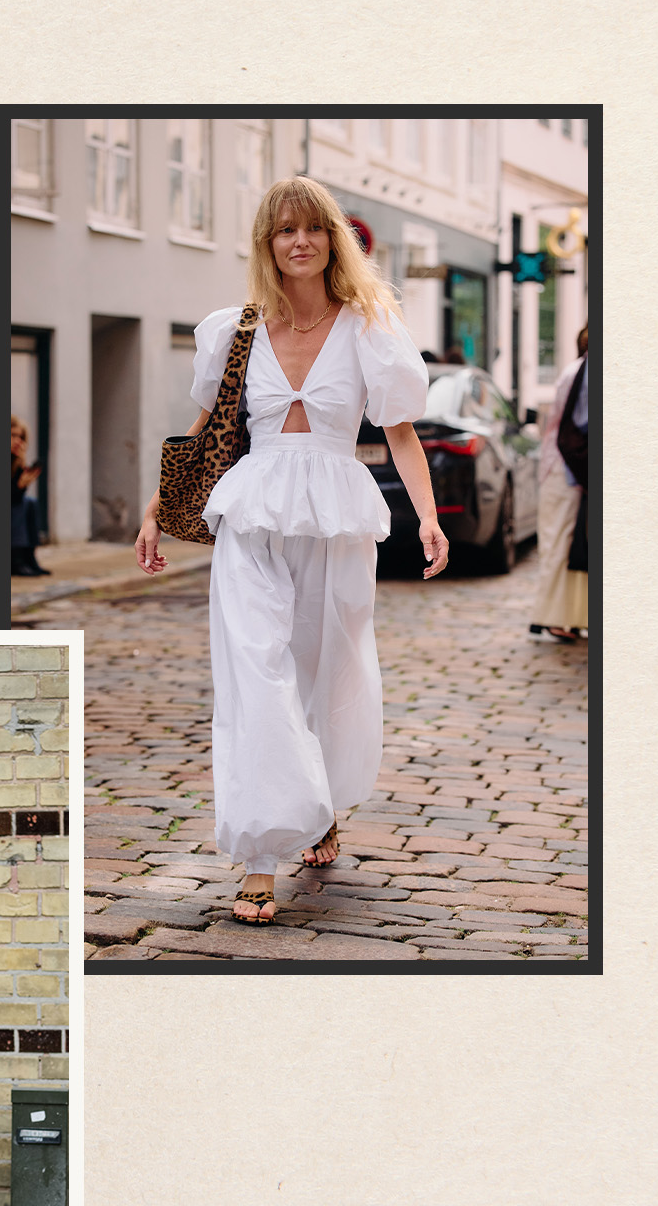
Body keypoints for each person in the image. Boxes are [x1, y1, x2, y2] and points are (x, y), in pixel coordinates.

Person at [135, 176, 449, 924]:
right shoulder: (234, 329)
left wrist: (431, 520)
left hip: (338, 518)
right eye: (283, 231)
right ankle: (260, 859)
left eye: (311, 228)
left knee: (326, 673)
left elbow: (400, 430)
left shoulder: (370, 326)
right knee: (256, 676)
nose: (298, 241)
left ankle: (321, 806)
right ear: (266, 243)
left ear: (332, 239)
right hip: (251, 515)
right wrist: (157, 511)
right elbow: (205, 431)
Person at [530, 323, 588, 640]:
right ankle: (551, 616)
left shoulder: (575, 369)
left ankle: (565, 615)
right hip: (565, 467)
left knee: (563, 540)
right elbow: (583, 423)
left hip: (561, 465)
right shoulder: (584, 370)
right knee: (560, 541)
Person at [11, 417, 48, 576]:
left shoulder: (16, 461)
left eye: (21, 437)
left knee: (30, 502)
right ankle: (16, 559)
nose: (17, 441)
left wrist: (22, 482)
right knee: (23, 504)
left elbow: (15, 496)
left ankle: (30, 557)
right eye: (13, 435)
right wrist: (19, 486)